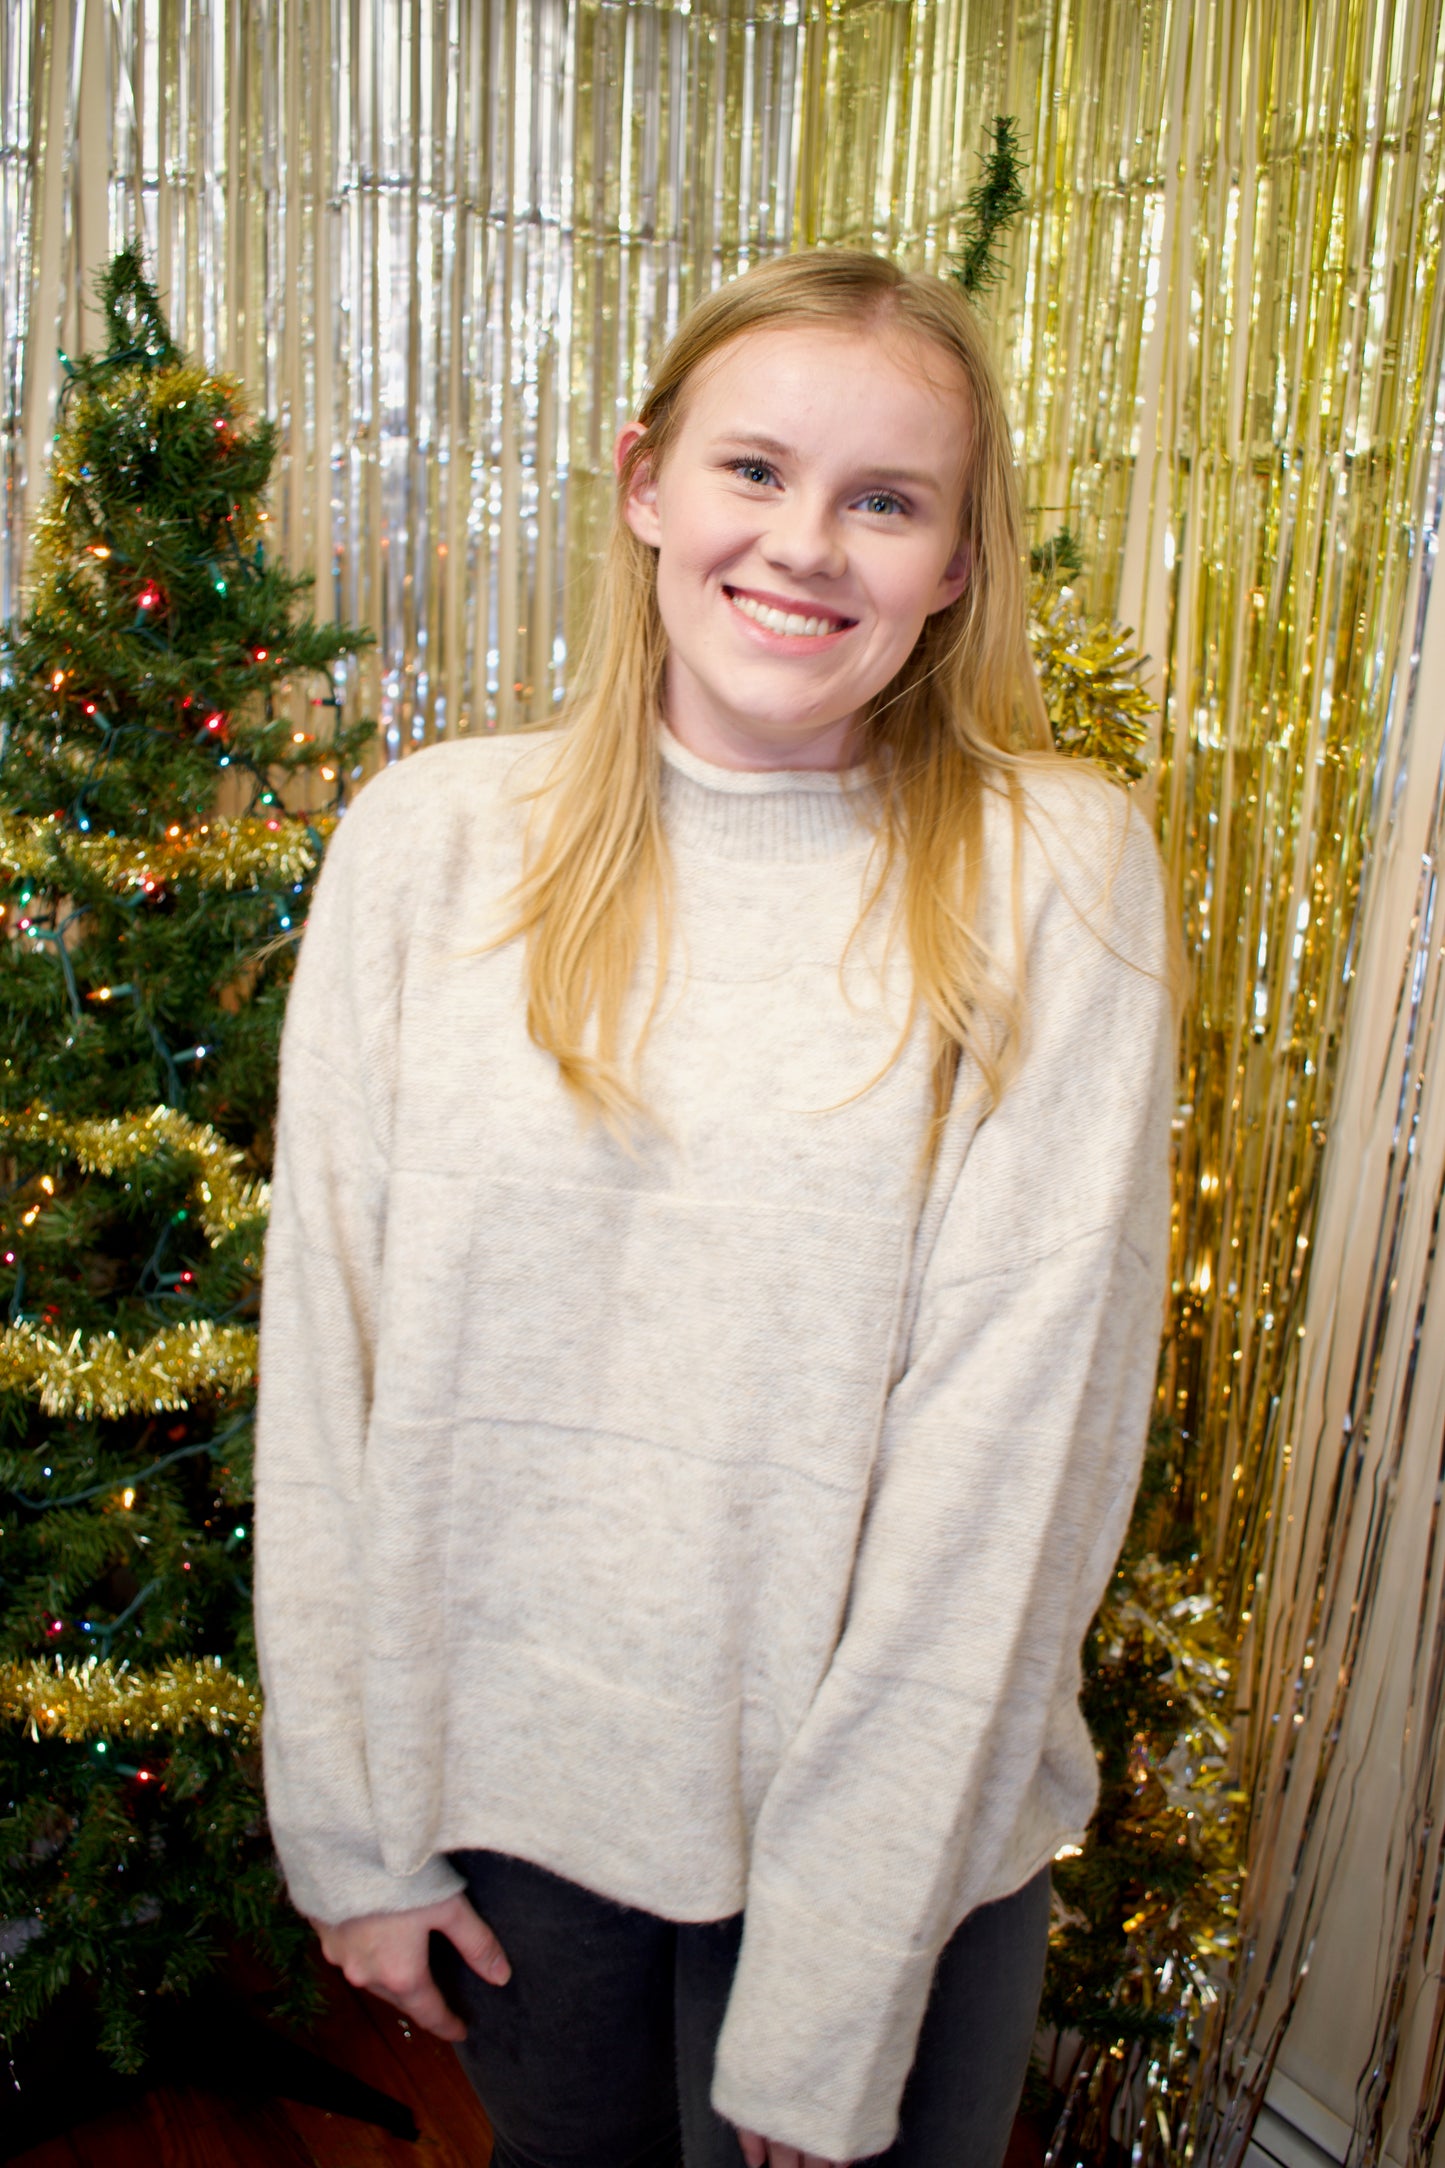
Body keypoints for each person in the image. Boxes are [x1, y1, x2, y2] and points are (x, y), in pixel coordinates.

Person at [254, 247, 1175, 2168]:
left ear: (953, 566)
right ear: (643, 485)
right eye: (755, 470)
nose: (807, 545)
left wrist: (836, 1991)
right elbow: (327, 1362)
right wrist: (349, 1831)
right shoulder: (431, 842)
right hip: (516, 1820)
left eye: (886, 500)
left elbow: (1012, 1481)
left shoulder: (1053, 876)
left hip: (886, 1853)